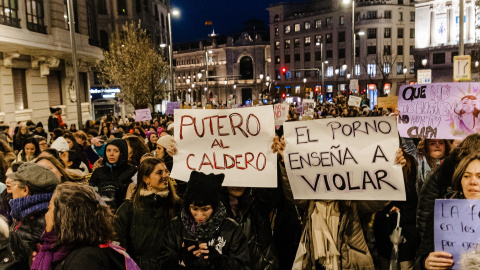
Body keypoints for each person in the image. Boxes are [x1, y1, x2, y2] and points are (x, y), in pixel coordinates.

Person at [30, 182, 140, 270]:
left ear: (63, 217)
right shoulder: (67, 251)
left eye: (50, 208)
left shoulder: (85, 259)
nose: (46, 215)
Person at [158, 171, 251, 270]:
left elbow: (244, 267)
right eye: (194, 209)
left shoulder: (231, 228)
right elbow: (160, 265)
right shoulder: (175, 226)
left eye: (205, 209)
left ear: (215, 207)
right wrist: (180, 259)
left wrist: (220, 262)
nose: (199, 215)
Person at [115, 158, 182, 270]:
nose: (165, 175)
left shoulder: (176, 205)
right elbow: (119, 243)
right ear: (146, 179)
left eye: (166, 171)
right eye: (159, 172)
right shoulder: (128, 208)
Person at [417, 153, 480, 269]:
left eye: (479, 176)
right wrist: (425, 262)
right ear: (460, 180)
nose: (473, 181)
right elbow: (423, 253)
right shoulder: (442, 213)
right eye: (466, 176)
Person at [6, 163, 59, 268]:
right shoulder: (25, 212)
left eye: (13, 184)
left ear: (25, 190)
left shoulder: (40, 219)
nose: (11, 189)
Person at [89, 139, 137, 211]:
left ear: (122, 153)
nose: (111, 154)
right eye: (108, 150)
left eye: (116, 151)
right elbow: (91, 190)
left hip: (124, 211)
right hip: (102, 211)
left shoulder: (131, 171)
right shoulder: (98, 171)